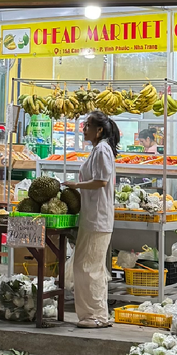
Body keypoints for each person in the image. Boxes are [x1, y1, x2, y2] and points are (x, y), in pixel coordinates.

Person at [61, 109, 119, 328]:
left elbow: (101, 181)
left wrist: (76, 185)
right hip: (93, 217)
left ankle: (94, 317)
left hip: (97, 218)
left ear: (99, 130)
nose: (84, 129)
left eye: (88, 126)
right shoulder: (98, 149)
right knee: (90, 267)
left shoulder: (102, 150)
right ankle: (97, 314)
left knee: (87, 268)